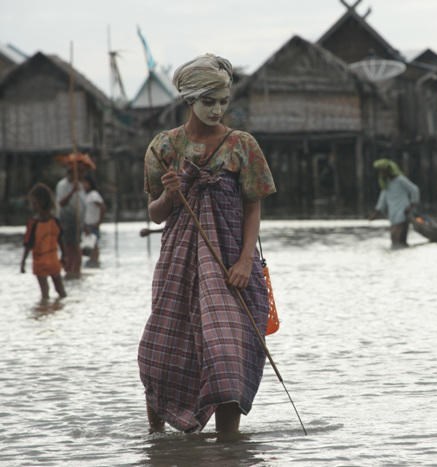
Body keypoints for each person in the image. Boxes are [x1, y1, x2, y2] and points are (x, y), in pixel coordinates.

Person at [138, 54, 276, 435]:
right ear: (190, 100)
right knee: (165, 351)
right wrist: (170, 194)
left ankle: (228, 446)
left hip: (230, 261)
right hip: (179, 265)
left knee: (228, 353)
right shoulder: (163, 147)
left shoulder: (242, 146)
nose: (217, 110)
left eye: (223, 101)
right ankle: (158, 441)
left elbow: (253, 207)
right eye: (208, 101)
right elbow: (155, 214)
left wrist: (246, 261)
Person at [20, 183, 67, 301]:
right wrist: (64, 256)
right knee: (61, 291)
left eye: (34, 203)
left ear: (40, 203)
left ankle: (45, 309)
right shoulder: (55, 221)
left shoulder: (33, 223)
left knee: (45, 293)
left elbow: (28, 244)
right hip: (53, 260)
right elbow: (61, 239)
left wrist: (23, 262)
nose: (32, 206)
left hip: (40, 262)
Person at [368, 158, 420, 248]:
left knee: (397, 240)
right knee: (396, 242)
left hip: (403, 213)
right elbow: (382, 200)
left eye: (383, 171)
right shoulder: (386, 184)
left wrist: (412, 205)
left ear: (389, 170)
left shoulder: (400, 180)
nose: (381, 174)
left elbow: (414, 190)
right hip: (393, 215)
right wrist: (375, 213)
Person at [55, 159, 89, 279]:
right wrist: (72, 191)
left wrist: (84, 224)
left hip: (77, 220)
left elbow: (82, 204)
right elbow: (62, 203)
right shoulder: (63, 185)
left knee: (76, 246)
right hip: (67, 219)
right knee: (69, 246)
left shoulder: (79, 185)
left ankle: (76, 270)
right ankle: (69, 269)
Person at [82, 175, 106, 267]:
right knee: (88, 246)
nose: (84, 185)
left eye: (85, 183)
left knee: (94, 245)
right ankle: (92, 262)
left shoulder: (94, 195)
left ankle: (95, 262)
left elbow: (102, 207)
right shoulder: (86, 195)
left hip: (93, 224)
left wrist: (99, 222)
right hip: (87, 224)